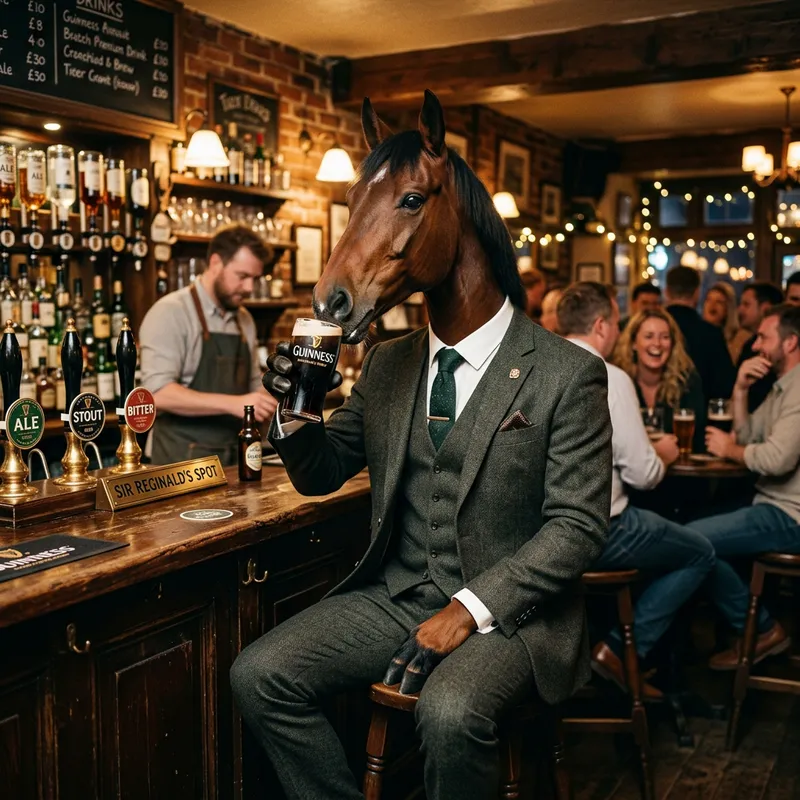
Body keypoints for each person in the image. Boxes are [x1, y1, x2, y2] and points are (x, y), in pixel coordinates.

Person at [230, 89, 613, 800]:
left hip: (513, 619)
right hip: (397, 596)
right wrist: (292, 412)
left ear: (447, 211)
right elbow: (321, 473)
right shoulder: (388, 362)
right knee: (259, 674)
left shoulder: (568, 373)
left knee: (448, 710)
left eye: (403, 206)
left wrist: (467, 610)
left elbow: (578, 529)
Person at [558, 283, 714, 699]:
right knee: (702, 552)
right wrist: (661, 452)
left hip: (544, 538)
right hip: (605, 531)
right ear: (603, 325)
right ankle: (619, 650)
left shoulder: (534, 370)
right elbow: (644, 474)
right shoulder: (609, 376)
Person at [688, 305, 800, 669]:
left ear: (791, 342)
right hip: (768, 503)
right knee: (689, 525)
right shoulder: (784, 386)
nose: (756, 346)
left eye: (765, 337)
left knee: (689, 541)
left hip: (789, 515)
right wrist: (739, 388)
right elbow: (749, 433)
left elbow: (776, 459)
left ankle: (762, 630)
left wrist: (730, 450)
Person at [140, 225, 277, 465]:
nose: (249, 289)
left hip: (234, 459)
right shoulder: (171, 312)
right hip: (179, 463)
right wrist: (236, 403)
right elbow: (156, 394)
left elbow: (254, 387)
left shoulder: (244, 319)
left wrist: (270, 397)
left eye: (255, 279)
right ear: (215, 263)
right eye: (242, 276)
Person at [614, 307, 706, 454]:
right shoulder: (617, 382)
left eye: (665, 337)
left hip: (680, 473)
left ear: (673, 344)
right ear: (633, 344)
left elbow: (698, 440)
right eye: (649, 336)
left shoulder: (687, 382)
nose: (657, 344)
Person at [664, 265, 735, 401]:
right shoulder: (711, 334)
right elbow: (725, 386)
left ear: (666, 292)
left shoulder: (651, 330)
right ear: (697, 293)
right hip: (701, 416)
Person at [736, 282, 784, 412]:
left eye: (746, 304)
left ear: (764, 308)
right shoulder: (748, 345)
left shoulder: (778, 360)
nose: (740, 310)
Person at [703, 281, 751, 364]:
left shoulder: (741, 337)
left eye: (719, 302)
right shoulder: (697, 334)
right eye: (708, 300)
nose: (712, 305)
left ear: (728, 308)